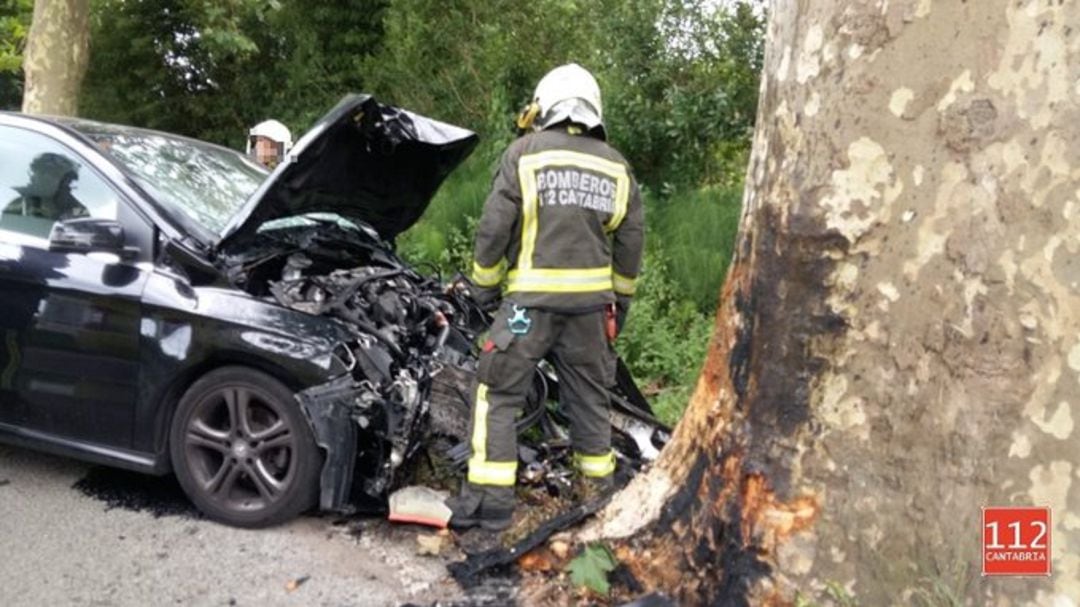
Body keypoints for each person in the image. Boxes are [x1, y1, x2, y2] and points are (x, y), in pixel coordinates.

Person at [447, 63, 645, 531]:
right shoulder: (617, 167)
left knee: (496, 394)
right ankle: (597, 496)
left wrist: (483, 287)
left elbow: (494, 228)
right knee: (591, 402)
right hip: (591, 314)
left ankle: (490, 508)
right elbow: (632, 242)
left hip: (527, 311)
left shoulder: (525, 153)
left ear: (547, 104)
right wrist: (620, 305)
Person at [2, 152, 89, 221]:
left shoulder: (78, 212)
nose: (46, 177)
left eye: (54, 174)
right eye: (42, 171)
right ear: (34, 173)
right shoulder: (20, 204)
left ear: (66, 181)